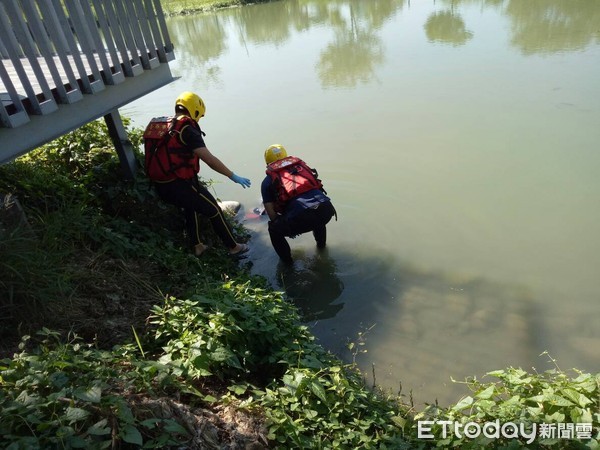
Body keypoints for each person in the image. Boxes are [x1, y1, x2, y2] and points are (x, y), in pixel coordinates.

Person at [143, 91, 251, 257]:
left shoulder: (163, 125)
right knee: (214, 210)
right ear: (194, 110)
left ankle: (197, 245)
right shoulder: (186, 129)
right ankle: (234, 247)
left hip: (160, 185)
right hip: (179, 184)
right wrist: (232, 175)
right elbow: (209, 159)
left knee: (190, 206)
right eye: (199, 115)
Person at [260, 144, 336, 264]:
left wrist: (289, 226)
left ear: (268, 163)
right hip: (326, 209)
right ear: (286, 156)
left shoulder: (267, 181)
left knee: (274, 229)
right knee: (316, 209)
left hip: (301, 217)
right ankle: (322, 248)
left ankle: (288, 264)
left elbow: (272, 216)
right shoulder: (302, 168)